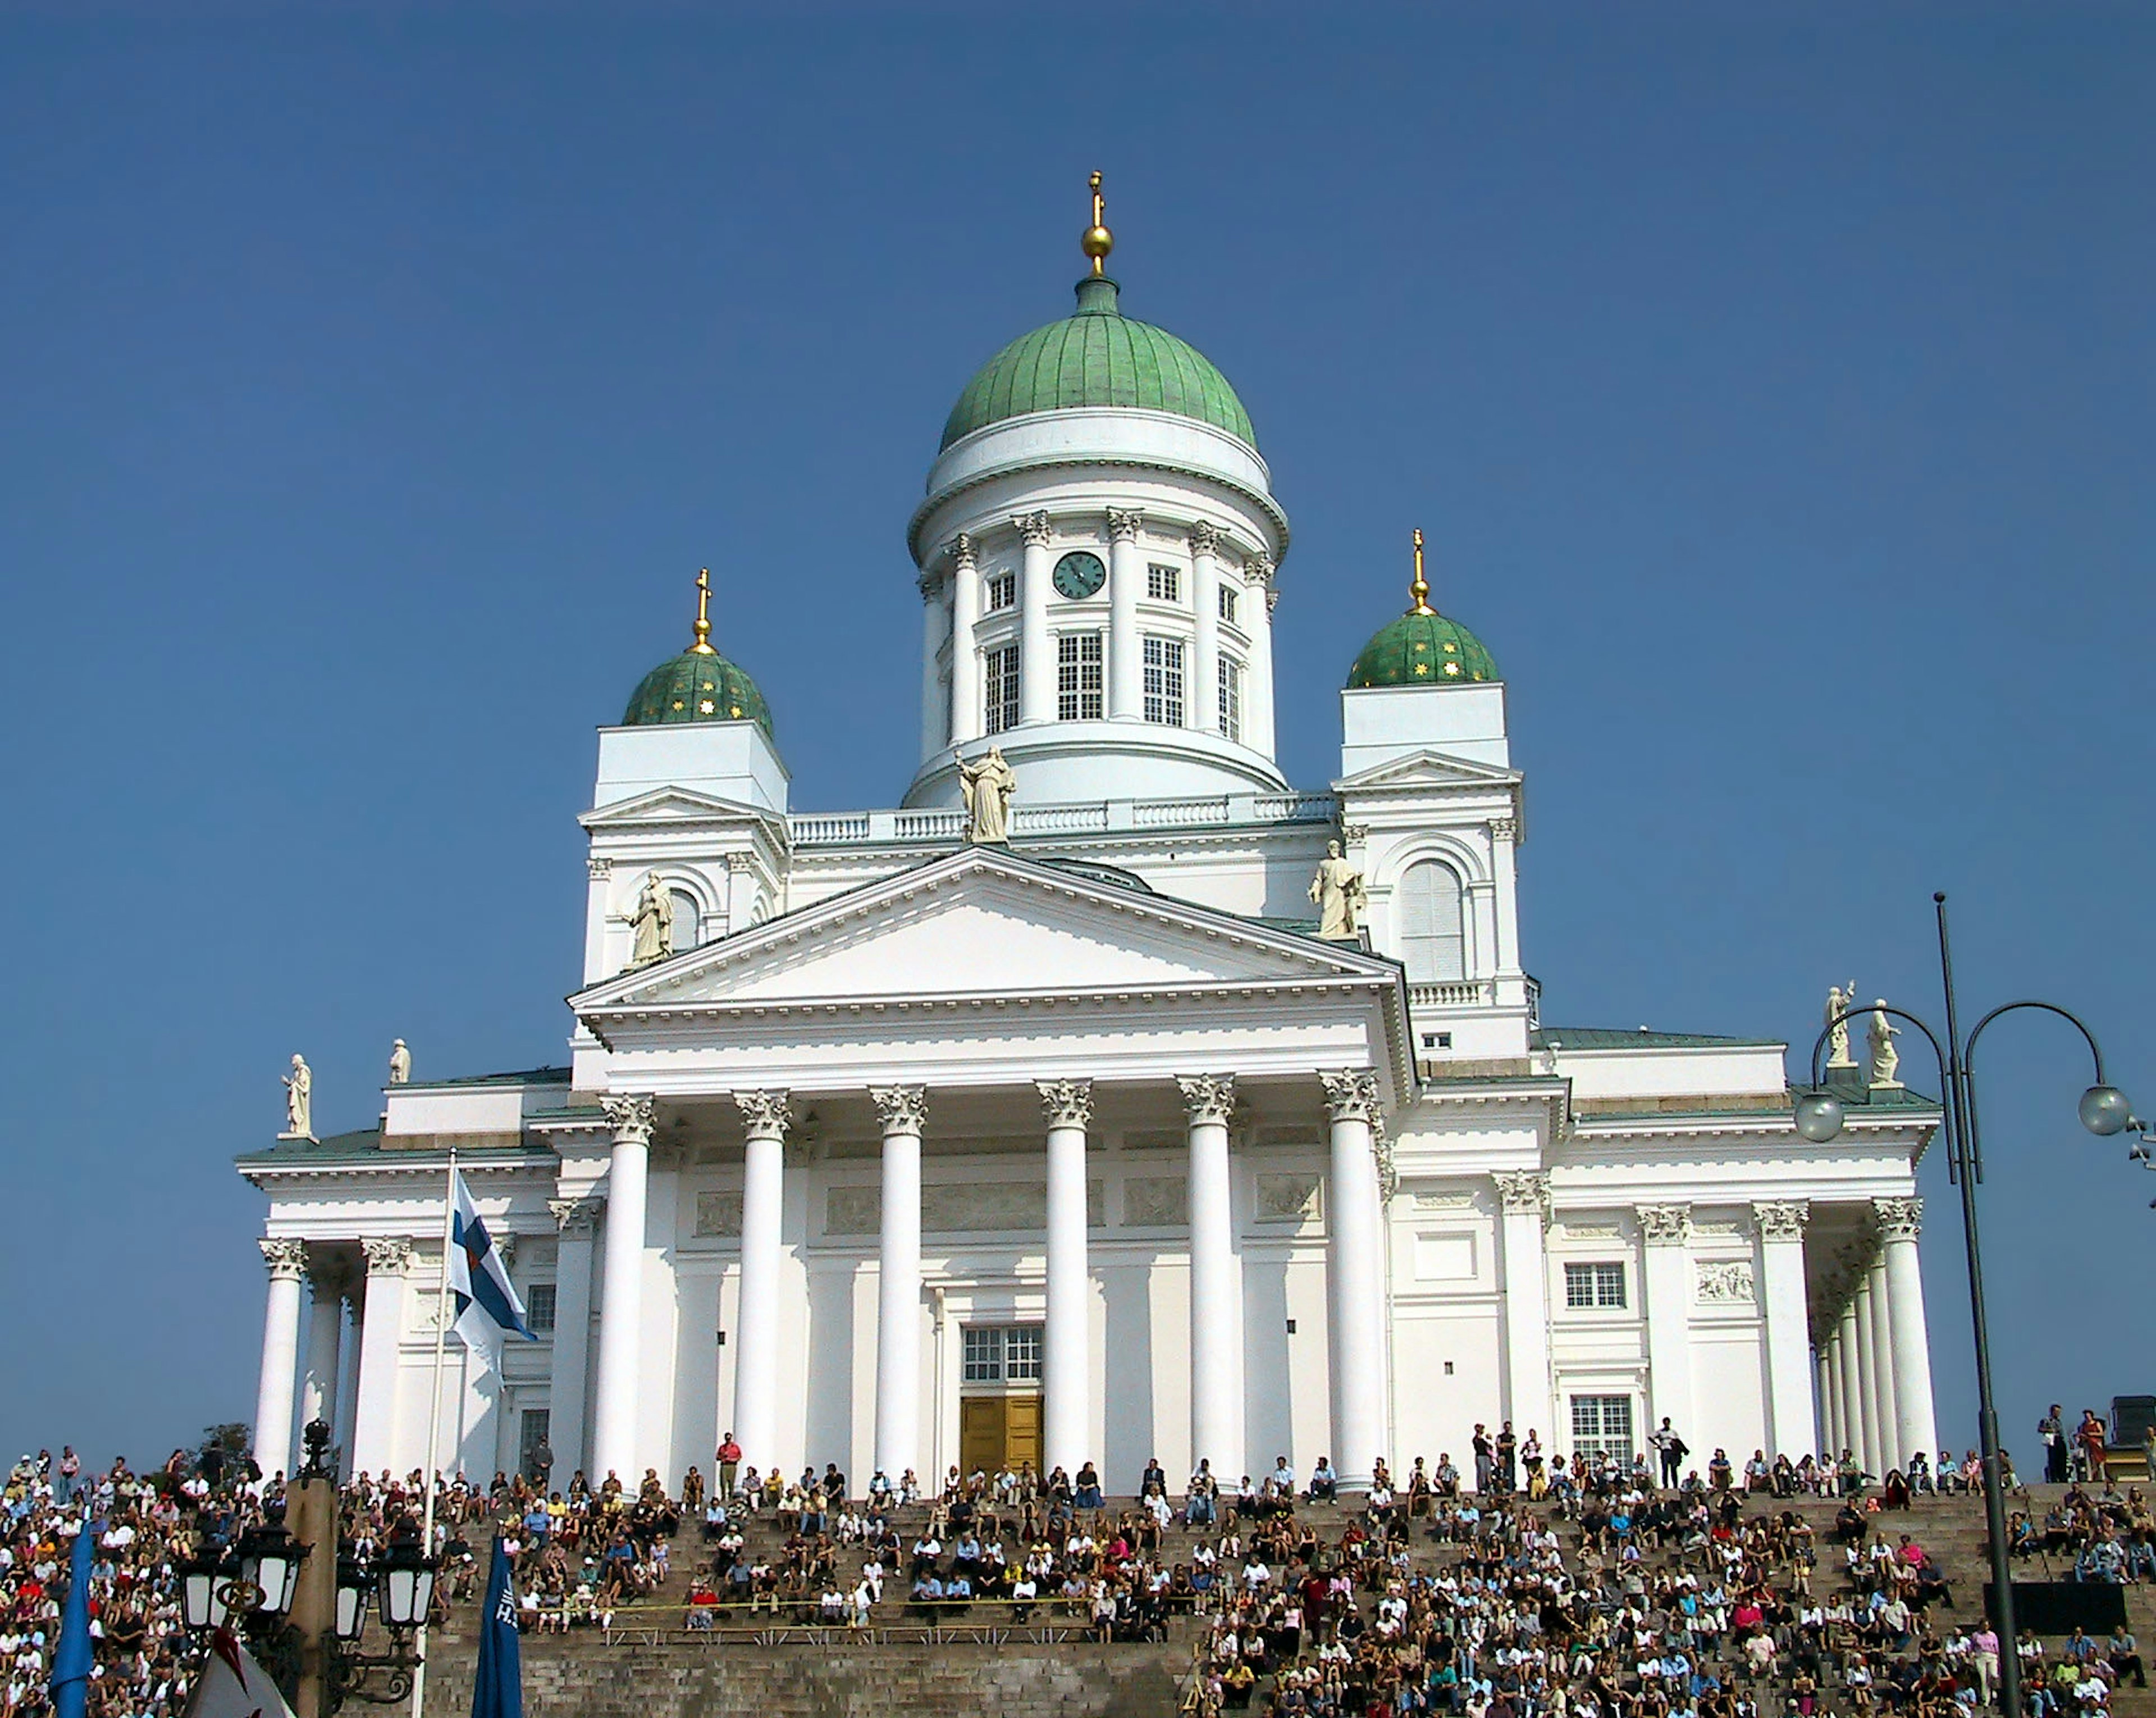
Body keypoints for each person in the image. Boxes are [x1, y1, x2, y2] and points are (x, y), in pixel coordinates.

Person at [1652, 1418, 1689, 1489]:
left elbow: (1678, 1441)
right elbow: (1651, 1437)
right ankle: (1665, 1485)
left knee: (1674, 1468)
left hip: (1673, 1451)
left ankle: (1675, 1485)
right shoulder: (1660, 1432)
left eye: (1668, 1423)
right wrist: (1657, 1445)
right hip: (1665, 1451)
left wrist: (1684, 1449)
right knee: (1665, 1468)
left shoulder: (1673, 1432)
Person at [2042, 1406, 2071, 1484]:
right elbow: (2040, 1429)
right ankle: (2054, 1478)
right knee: (2053, 1460)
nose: (2058, 1413)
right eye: (2057, 1412)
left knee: (2062, 1459)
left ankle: (2063, 1477)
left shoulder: (2059, 1421)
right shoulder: (2047, 1420)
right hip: (2052, 1440)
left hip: (2060, 1439)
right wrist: (2050, 1430)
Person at [717, 1433, 742, 1500]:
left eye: (729, 1439)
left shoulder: (736, 1447)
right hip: (724, 1466)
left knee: (731, 1483)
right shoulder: (722, 1447)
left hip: (732, 1466)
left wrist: (732, 1460)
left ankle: (731, 1497)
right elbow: (717, 1457)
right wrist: (723, 1457)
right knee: (723, 1482)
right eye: (727, 1439)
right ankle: (723, 1497)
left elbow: (739, 1457)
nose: (728, 1440)